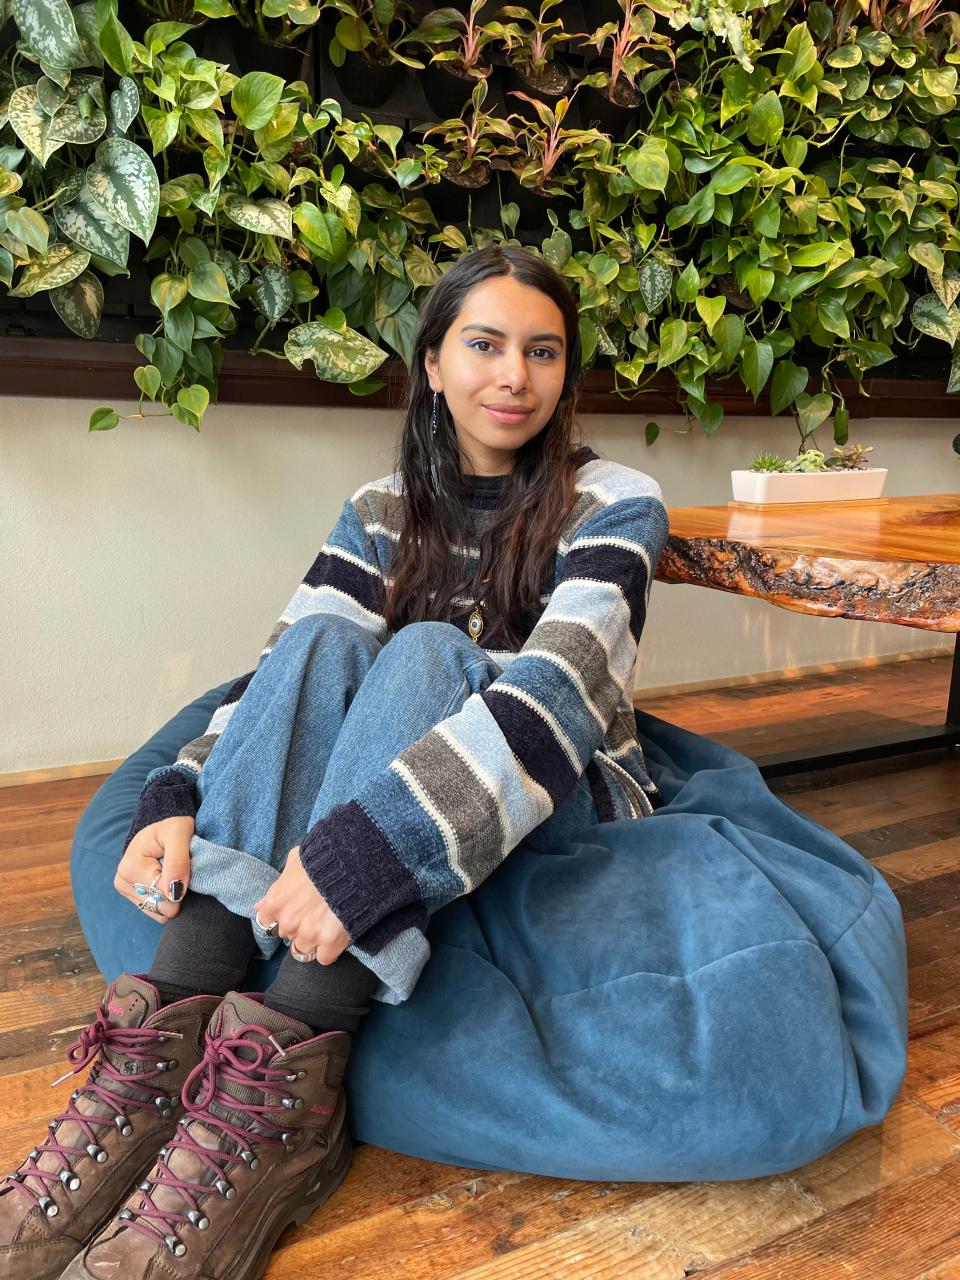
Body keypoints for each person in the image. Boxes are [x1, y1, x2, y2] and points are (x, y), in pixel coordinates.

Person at [0, 245, 670, 1280]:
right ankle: (155, 1059)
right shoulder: (381, 503)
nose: (514, 377)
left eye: (543, 352)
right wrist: (179, 790)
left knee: (423, 649)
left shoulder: (615, 500)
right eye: (485, 345)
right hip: (396, 771)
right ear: (435, 362)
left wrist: (374, 853)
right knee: (325, 642)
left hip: (558, 786)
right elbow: (287, 660)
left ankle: (283, 1102)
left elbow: (566, 693)